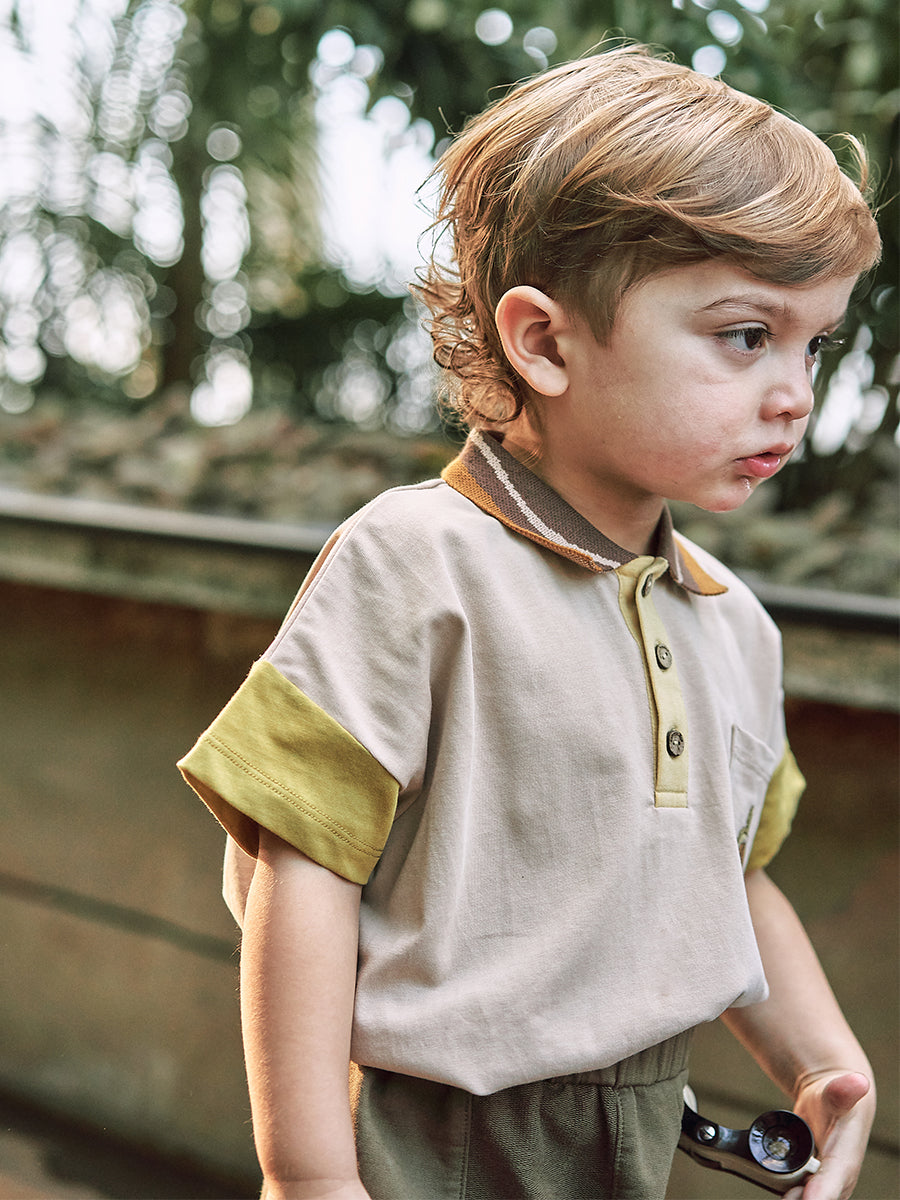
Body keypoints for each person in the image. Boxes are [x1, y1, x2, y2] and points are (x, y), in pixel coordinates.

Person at [178, 44, 882, 1200]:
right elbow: (303, 866)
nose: (796, 392)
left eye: (817, 343)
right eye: (746, 335)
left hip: (637, 1127)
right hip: (435, 1138)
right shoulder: (417, 562)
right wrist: (307, 1175)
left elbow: (734, 880)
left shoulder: (735, 626)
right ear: (544, 341)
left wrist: (822, 1063)